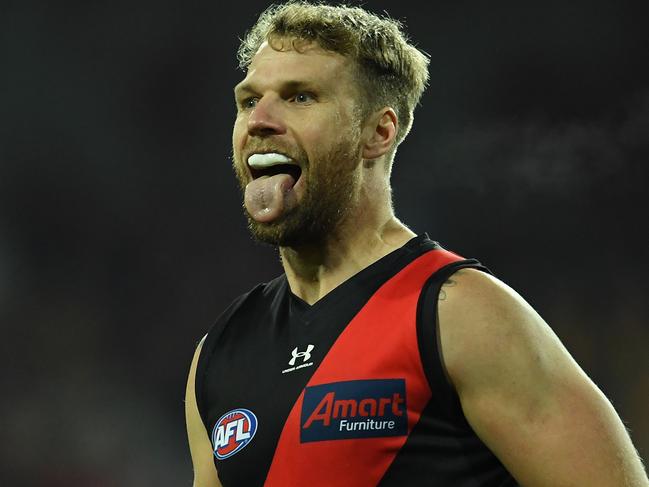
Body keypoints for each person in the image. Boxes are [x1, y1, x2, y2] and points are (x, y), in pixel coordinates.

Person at [185, 2, 649, 486]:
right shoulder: (219, 353)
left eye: (301, 97)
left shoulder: (461, 315)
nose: (259, 120)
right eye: (247, 100)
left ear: (379, 132)